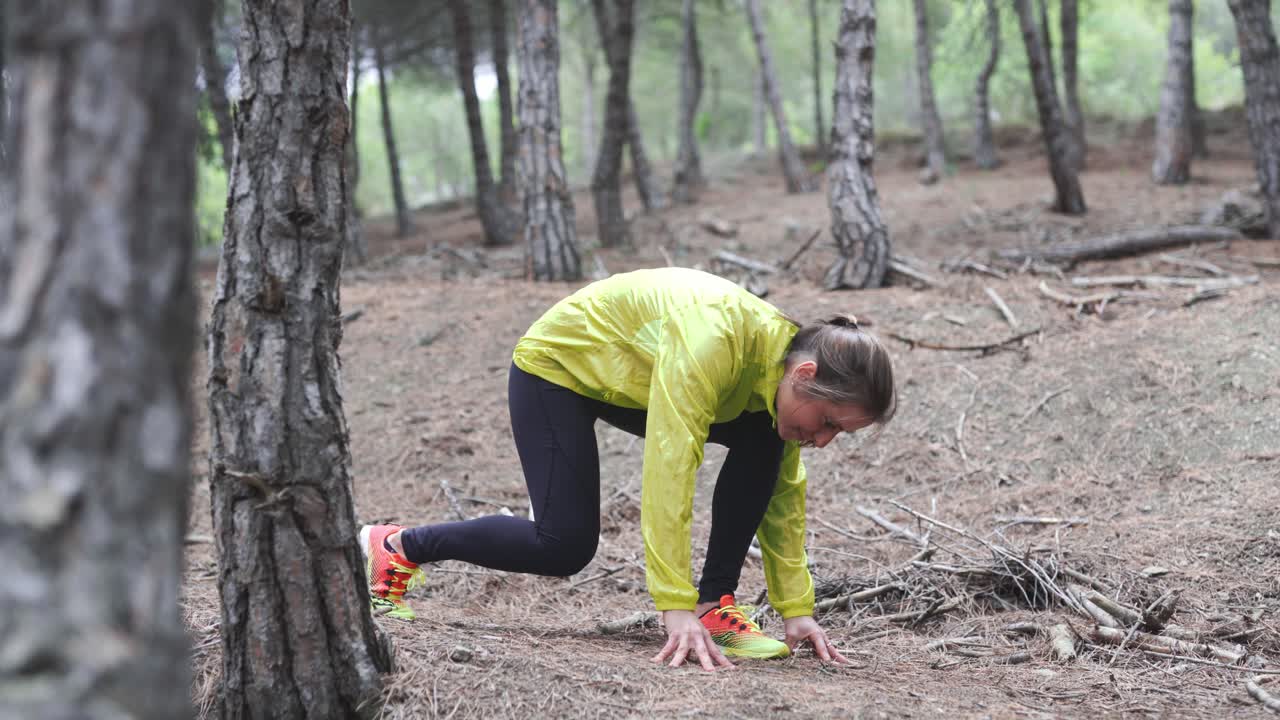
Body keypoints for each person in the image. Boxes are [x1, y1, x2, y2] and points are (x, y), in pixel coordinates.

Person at [359, 267, 896, 670]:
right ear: (804, 373)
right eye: (827, 421)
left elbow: (783, 497)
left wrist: (796, 608)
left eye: (837, 434)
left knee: (768, 448)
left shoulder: (777, 375)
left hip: (630, 372)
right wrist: (671, 605)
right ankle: (397, 546)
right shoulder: (713, 341)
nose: (823, 440)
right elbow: (670, 465)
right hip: (561, 368)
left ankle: (717, 606)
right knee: (563, 545)